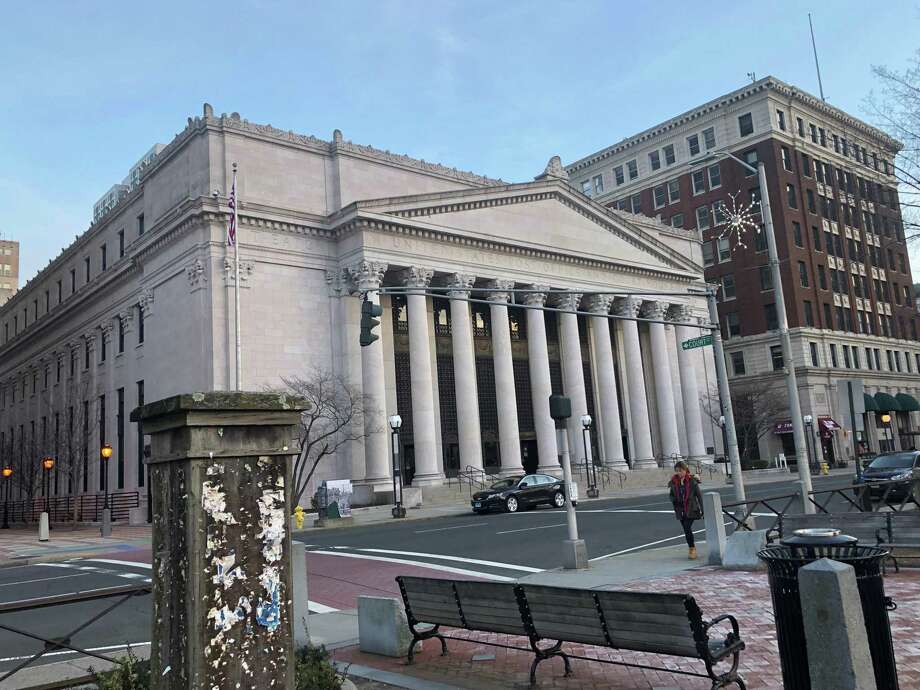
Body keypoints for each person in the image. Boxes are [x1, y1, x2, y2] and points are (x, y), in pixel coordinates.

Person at [668, 460, 704, 560]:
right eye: (676, 471)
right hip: (680, 510)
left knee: (687, 528)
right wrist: (674, 500)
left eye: (680, 470)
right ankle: (691, 547)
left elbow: (699, 496)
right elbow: (671, 495)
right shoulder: (674, 482)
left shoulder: (692, 481)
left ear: (685, 470)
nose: (678, 473)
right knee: (686, 530)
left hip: (691, 509)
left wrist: (703, 510)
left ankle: (692, 549)